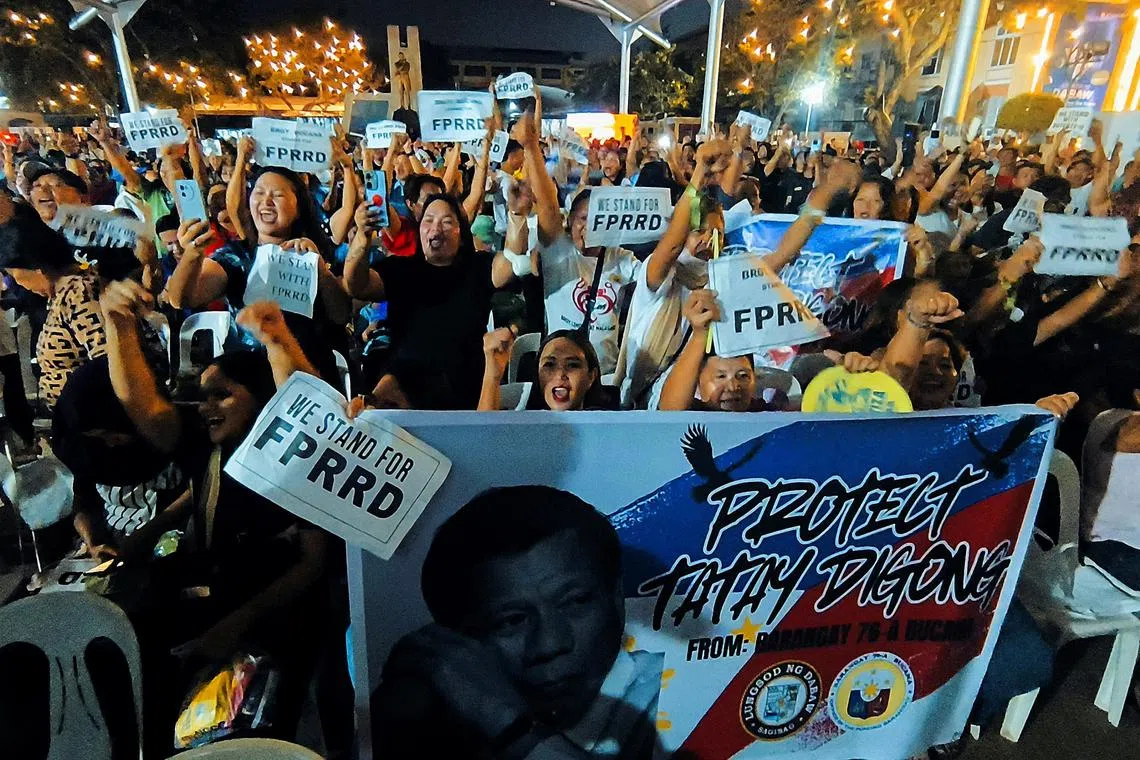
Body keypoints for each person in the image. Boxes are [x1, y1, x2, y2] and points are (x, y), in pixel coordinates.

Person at [98, 284, 333, 750]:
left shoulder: (291, 461)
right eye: (202, 397)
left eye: (222, 395)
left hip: (272, 628)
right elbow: (144, 409)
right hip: (211, 604)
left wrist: (235, 625)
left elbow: (313, 564)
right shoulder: (211, 446)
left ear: (262, 400)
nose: (206, 408)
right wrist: (118, 326)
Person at [374, 485, 664, 759]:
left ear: (615, 597)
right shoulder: (439, 730)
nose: (550, 644)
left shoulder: (681, 691)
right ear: (457, 641)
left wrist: (511, 727)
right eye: (511, 621)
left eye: (575, 602)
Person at [343, 193, 516, 409]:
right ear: (419, 230)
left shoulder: (478, 267)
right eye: (429, 219)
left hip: (461, 393)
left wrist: (517, 215)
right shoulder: (400, 269)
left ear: (461, 233)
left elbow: (508, 265)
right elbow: (355, 285)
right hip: (401, 392)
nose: (436, 227)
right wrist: (363, 236)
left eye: (446, 221)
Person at [479, 328, 608, 411]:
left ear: (591, 376)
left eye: (572, 365)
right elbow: (482, 443)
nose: (560, 374)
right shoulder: (523, 427)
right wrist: (493, 375)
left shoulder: (607, 428)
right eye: (549, 365)